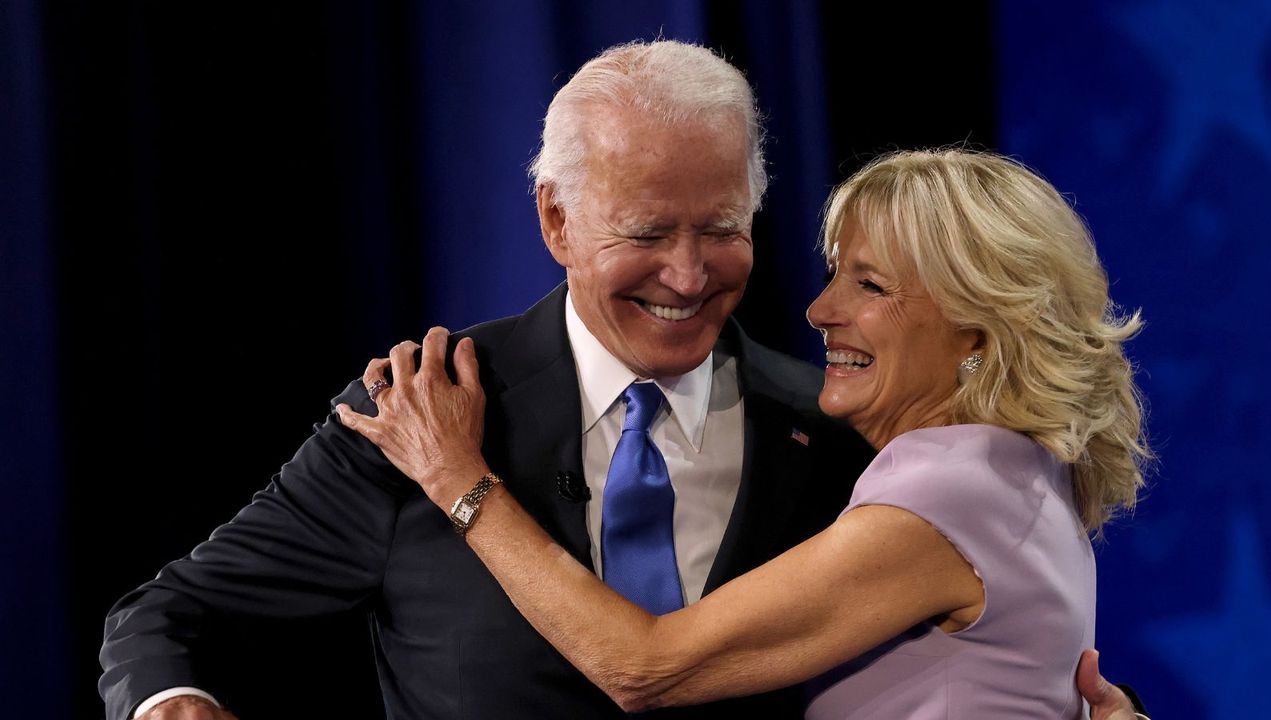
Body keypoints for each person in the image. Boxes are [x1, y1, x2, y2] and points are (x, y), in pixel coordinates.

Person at [100, 41, 1143, 720]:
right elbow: (164, 615)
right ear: (556, 221)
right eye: (646, 233)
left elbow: (981, 647)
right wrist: (169, 707)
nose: (687, 277)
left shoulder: (842, 438)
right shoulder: (420, 410)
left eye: (721, 230)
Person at [338, 148, 1152, 718]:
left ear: (977, 329)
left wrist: (455, 477)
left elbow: (643, 666)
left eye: (867, 284)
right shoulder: (1016, 473)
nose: (820, 310)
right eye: (834, 272)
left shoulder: (952, 488)